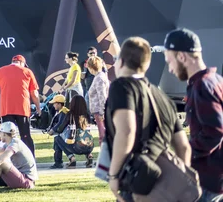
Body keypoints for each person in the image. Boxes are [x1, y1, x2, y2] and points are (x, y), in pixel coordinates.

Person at [106, 37, 192, 202]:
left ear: (121, 61)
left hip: (137, 181)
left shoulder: (121, 86)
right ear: (146, 65)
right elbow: (183, 147)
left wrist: (114, 175)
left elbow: (126, 131)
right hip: (164, 187)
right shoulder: (162, 97)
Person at [163, 28, 223, 201]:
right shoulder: (216, 80)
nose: (170, 69)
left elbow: (215, 132)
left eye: (170, 61)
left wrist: (184, 154)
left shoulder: (202, 86)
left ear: (182, 57)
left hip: (206, 182)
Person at [0, 55, 40, 156]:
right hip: (23, 109)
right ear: (22, 63)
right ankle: (30, 159)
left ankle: (9, 159)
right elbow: (34, 94)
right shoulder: (28, 72)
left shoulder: (0, 71)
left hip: (6, 109)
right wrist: (38, 108)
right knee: (25, 135)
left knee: (7, 136)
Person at [51, 95, 94, 169]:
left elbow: (60, 128)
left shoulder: (70, 115)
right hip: (89, 146)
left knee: (57, 139)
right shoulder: (87, 115)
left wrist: (53, 131)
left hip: (76, 147)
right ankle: (89, 155)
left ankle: (71, 158)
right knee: (84, 138)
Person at [87, 56, 109, 143]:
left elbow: (102, 96)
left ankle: (105, 155)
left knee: (102, 136)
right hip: (98, 111)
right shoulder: (98, 77)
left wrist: (102, 112)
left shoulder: (99, 78)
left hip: (99, 111)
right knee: (102, 134)